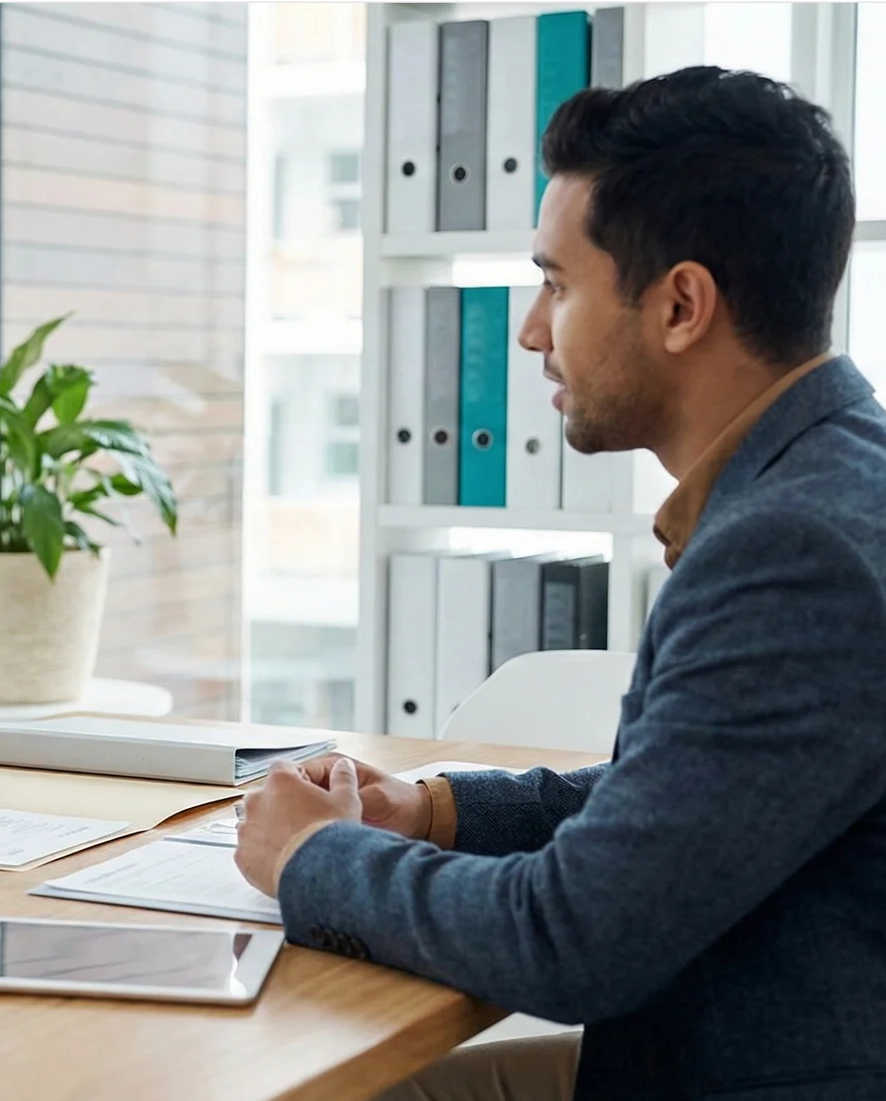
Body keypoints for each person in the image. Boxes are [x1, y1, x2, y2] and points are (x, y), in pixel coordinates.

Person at [235, 67, 886, 1101]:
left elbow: (571, 940)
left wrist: (308, 859)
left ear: (681, 304)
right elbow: (696, 795)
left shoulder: (795, 550)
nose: (533, 331)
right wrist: (436, 811)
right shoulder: (831, 478)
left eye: (557, 283)